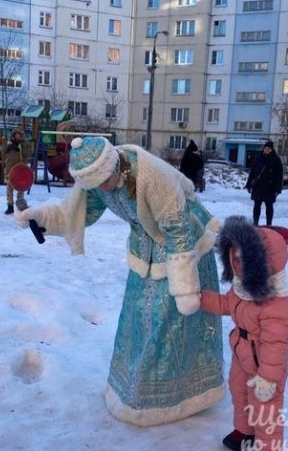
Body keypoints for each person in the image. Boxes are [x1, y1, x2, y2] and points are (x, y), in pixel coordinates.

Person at [16, 136, 224, 426]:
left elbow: (178, 230)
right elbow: (77, 210)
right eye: (93, 186)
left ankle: (179, 397)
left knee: (171, 324)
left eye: (102, 183)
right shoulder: (96, 175)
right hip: (146, 250)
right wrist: (43, 218)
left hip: (185, 253)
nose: (100, 190)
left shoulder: (154, 176)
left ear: (116, 169)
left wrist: (186, 289)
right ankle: (132, 389)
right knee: (137, 321)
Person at [200, 216, 288, 451]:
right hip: (242, 356)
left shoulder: (277, 306)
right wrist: (197, 298)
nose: (236, 263)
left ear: (261, 265)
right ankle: (245, 431)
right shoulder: (240, 291)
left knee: (266, 406)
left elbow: (276, 346)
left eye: (243, 259)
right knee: (240, 393)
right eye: (233, 257)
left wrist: (268, 378)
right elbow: (223, 305)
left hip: (265, 367)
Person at [245, 140, 283, 226]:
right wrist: (249, 184)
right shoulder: (258, 158)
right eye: (265, 148)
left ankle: (269, 224)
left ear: (272, 150)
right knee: (256, 206)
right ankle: (255, 224)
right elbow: (252, 172)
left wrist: (278, 189)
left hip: (270, 188)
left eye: (268, 148)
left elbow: (279, 176)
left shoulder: (276, 160)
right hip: (258, 187)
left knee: (269, 206)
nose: (266, 150)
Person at [1, 128, 30, 214]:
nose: (17, 136)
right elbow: (2, 151)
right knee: (9, 188)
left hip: (21, 170)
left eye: (19, 135)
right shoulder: (9, 143)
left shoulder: (25, 143)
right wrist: (8, 146)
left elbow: (29, 153)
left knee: (21, 188)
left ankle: (20, 205)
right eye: (16, 135)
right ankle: (10, 206)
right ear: (14, 135)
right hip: (11, 170)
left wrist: (23, 146)